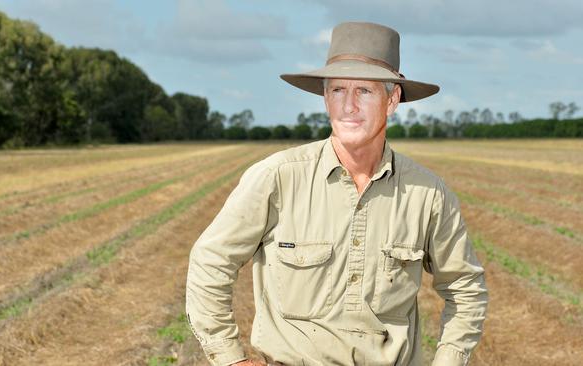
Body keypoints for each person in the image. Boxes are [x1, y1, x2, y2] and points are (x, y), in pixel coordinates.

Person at [186, 22, 488, 366]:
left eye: (364, 91)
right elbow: (210, 261)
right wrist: (229, 357)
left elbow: (465, 288)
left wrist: (448, 360)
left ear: (392, 100)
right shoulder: (277, 178)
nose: (349, 106)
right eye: (338, 91)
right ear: (326, 98)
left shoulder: (428, 194)